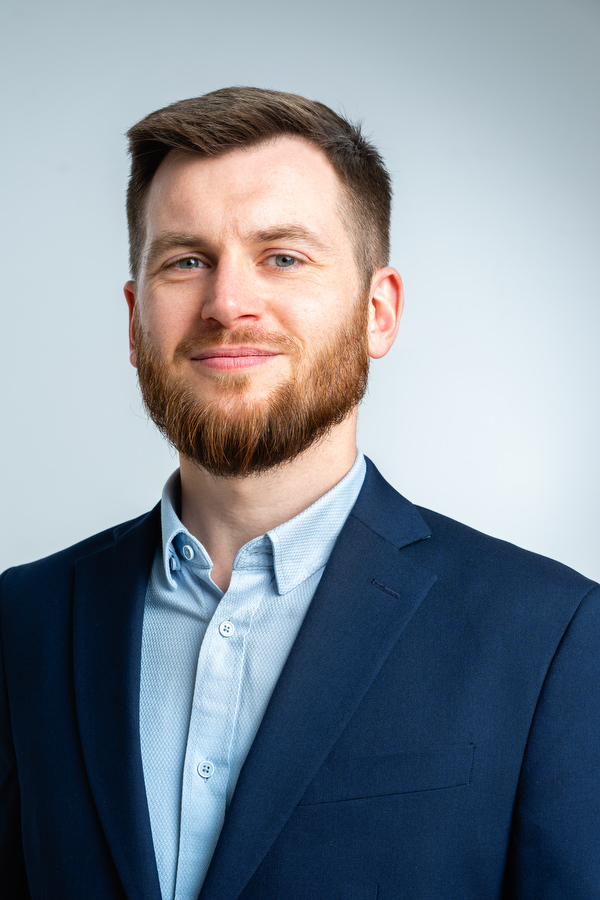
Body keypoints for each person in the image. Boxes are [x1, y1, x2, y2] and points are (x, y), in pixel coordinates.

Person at [1, 87, 599, 900]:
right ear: (135, 320)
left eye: (283, 257)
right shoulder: (23, 621)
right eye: (186, 261)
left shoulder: (550, 637)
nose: (227, 304)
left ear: (377, 312)